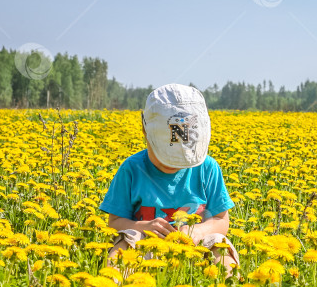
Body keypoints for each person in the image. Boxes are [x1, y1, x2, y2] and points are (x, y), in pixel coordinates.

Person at [99, 83, 240, 276]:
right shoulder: (132, 168)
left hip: (196, 248)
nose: (174, 164)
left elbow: (221, 220)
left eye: (183, 157)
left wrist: (198, 232)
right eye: (167, 154)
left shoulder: (208, 168)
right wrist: (141, 227)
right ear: (144, 130)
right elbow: (114, 222)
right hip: (145, 246)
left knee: (219, 244)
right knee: (126, 241)